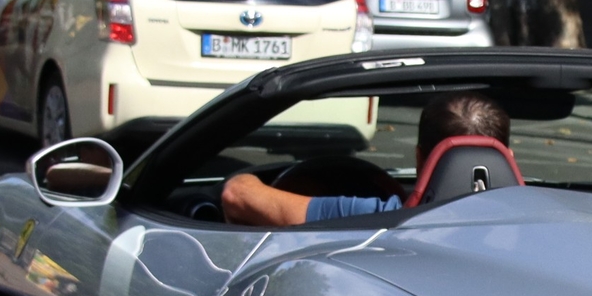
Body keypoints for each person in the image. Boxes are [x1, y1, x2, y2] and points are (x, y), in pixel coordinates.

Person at [219, 94, 512, 226]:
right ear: (507, 158)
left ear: (420, 158)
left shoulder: (372, 217)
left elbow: (237, 194)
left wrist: (245, 176)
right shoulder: (548, 223)